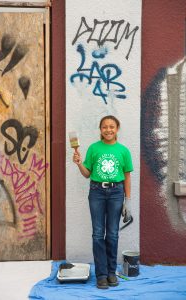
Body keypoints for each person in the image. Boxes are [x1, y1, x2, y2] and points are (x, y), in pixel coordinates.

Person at [73, 115, 133, 289]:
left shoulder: (123, 151)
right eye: (105, 127)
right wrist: (79, 164)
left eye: (112, 127)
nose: (108, 130)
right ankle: (101, 275)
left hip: (116, 192)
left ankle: (111, 272)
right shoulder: (93, 148)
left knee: (113, 233)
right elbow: (87, 173)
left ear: (117, 129)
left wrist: (127, 201)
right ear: (100, 130)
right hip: (97, 192)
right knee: (98, 234)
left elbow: (127, 177)